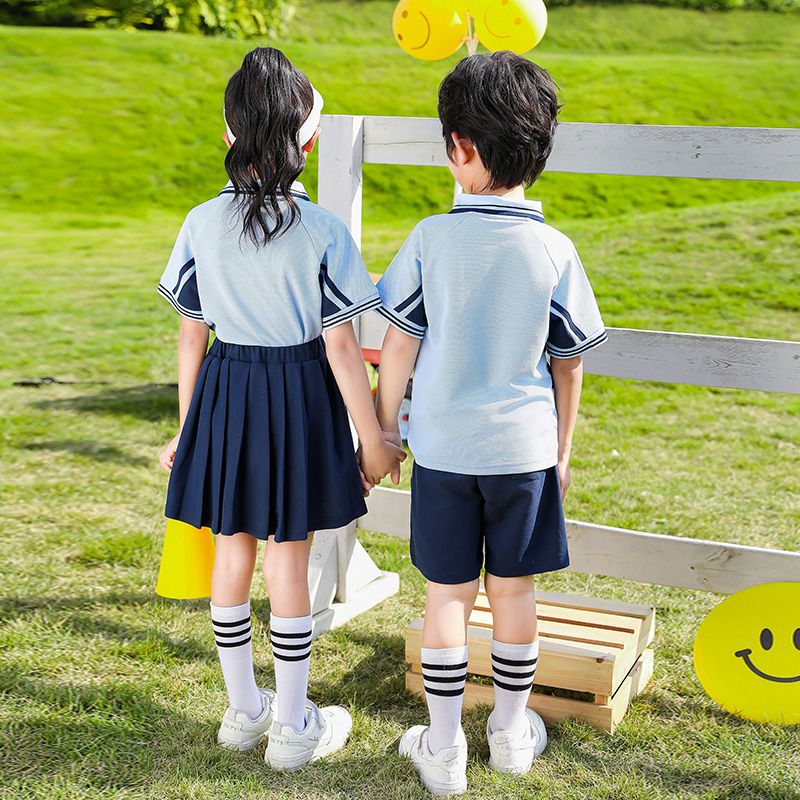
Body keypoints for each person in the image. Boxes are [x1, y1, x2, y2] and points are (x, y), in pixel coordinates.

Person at [157, 47, 405, 771]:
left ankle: (244, 712)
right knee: (287, 563)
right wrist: (375, 438)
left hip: (227, 395)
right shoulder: (323, 230)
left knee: (232, 552)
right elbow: (338, 349)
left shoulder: (202, 222)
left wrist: (188, 429)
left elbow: (190, 338)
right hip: (297, 398)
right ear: (311, 141)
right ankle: (294, 725)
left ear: (228, 137)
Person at [373, 52, 606, 795]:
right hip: (525, 452)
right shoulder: (555, 249)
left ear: (459, 148)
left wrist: (384, 429)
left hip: (443, 449)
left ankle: (443, 749)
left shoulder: (429, 239)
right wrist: (562, 451)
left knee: (447, 597)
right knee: (515, 594)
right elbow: (569, 363)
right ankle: (509, 731)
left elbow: (398, 345)